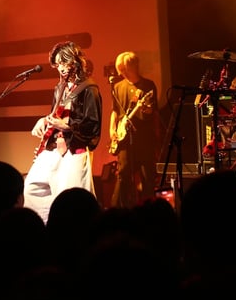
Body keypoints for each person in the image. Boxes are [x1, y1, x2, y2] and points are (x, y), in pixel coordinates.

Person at [23, 41, 102, 224]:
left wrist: (67, 126)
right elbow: (56, 115)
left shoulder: (89, 89)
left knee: (72, 202)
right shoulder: (59, 88)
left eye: (63, 62)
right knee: (32, 188)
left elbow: (92, 125)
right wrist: (44, 120)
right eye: (57, 64)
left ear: (74, 61)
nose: (61, 68)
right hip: (53, 148)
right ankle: (43, 229)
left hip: (74, 149)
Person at [108, 51, 160, 208]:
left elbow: (152, 111)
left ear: (132, 67)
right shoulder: (118, 87)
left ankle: (148, 209)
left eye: (123, 69)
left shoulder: (148, 85)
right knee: (123, 173)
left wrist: (146, 109)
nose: (121, 73)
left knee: (147, 175)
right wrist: (112, 129)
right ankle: (117, 209)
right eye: (120, 69)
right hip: (124, 138)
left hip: (144, 138)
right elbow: (115, 111)